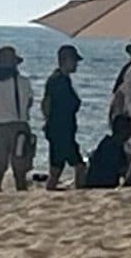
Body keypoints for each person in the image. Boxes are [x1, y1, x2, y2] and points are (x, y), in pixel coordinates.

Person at [0, 45, 34, 192]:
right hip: (20, 126)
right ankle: (21, 193)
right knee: (20, 169)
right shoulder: (24, 82)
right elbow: (29, 102)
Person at [42, 45, 87, 190]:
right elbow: (47, 104)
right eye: (74, 61)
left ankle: (54, 189)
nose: (76, 64)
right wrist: (50, 122)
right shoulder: (58, 80)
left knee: (57, 167)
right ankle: (79, 191)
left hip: (62, 130)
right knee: (78, 166)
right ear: (65, 60)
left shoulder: (62, 79)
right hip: (61, 131)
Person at [85, 115, 131, 188]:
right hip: (102, 185)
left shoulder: (109, 143)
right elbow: (120, 169)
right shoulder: (112, 147)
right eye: (129, 129)